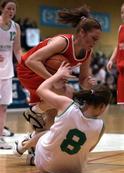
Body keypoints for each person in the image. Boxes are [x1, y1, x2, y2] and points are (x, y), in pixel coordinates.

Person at [14, 62, 112, 173]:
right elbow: (88, 149)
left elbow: (41, 90)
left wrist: (57, 75)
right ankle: (29, 150)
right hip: (74, 171)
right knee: (60, 134)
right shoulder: (101, 126)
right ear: (102, 106)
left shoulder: (68, 105)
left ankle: (25, 144)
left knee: (49, 132)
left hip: (44, 165)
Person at [16, 5, 102, 135]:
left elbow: (83, 79)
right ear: (82, 32)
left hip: (45, 74)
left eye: (97, 40)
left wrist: (87, 84)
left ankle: (34, 149)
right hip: (28, 70)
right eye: (93, 38)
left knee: (50, 117)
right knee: (67, 92)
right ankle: (34, 112)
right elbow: (31, 61)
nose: (95, 42)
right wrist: (53, 80)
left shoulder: (88, 53)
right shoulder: (62, 42)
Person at [0, 0, 22, 149]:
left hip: (7, 72)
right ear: (2, 8)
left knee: (3, 107)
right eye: (8, 8)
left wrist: (25, 64)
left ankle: (0, 137)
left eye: (13, 9)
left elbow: (17, 50)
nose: (11, 11)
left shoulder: (16, 27)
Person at [107, 3, 124, 104]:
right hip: (121, 72)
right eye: (122, 12)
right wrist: (111, 60)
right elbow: (118, 46)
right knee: (121, 104)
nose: (123, 15)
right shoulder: (120, 28)